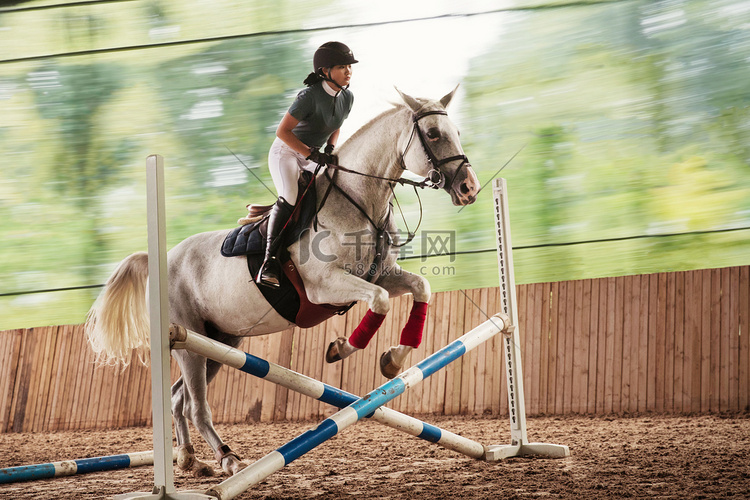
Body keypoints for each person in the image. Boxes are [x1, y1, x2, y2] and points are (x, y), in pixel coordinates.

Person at [257, 41, 358, 288]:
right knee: (290, 196)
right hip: (287, 151)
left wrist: (330, 149)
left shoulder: (347, 97)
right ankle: (269, 262)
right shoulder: (309, 96)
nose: (348, 71)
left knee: (333, 188)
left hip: (312, 154)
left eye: (349, 67)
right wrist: (310, 154)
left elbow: (336, 125)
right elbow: (282, 132)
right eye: (342, 67)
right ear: (325, 71)